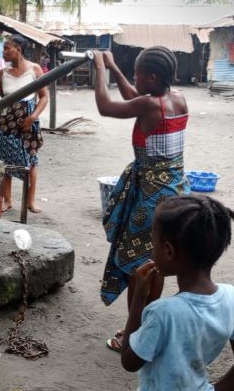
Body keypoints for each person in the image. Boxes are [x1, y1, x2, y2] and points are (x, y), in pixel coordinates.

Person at [92, 47, 190, 352]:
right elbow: (135, 96)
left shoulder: (149, 106)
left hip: (150, 200)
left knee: (140, 266)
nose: (133, 77)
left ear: (153, 77)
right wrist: (115, 69)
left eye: (137, 72)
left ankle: (135, 334)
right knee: (155, 262)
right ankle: (148, 326)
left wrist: (99, 68)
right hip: (175, 190)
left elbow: (107, 107)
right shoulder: (177, 99)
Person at [120, 195, 234, 391]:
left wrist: (139, 297)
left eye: (153, 241)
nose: (151, 249)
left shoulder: (163, 313)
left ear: (168, 251)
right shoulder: (230, 296)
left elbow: (129, 362)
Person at [0, 35, 48, 215]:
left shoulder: (34, 70)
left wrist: (33, 117)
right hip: (5, 124)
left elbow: (44, 97)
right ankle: (7, 201)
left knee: (31, 162)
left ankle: (30, 201)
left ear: (18, 49)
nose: (3, 52)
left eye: (7, 48)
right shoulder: (1, 73)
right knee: (4, 163)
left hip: (27, 125)